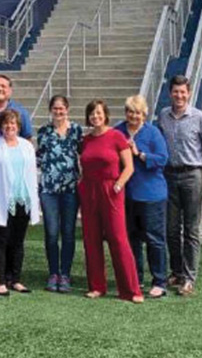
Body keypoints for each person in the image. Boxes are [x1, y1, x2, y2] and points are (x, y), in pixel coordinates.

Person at [157, 75, 202, 297]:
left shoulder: (199, 118)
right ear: (170, 93)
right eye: (176, 92)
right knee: (171, 229)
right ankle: (176, 272)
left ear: (189, 93)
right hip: (169, 176)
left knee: (191, 229)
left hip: (193, 176)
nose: (179, 96)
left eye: (183, 92)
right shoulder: (163, 116)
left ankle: (189, 278)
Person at [78, 99, 143, 303]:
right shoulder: (85, 140)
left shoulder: (117, 136)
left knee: (118, 238)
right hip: (89, 191)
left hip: (111, 190)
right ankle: (97, 286)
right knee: (91, 239)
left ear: (105, 115)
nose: (95, 117)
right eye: (91, 114)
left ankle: (131, 290)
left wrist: (118, 184)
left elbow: (129, 167)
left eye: (98, 113)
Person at [0, 109, 39, 296]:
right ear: (1, 126)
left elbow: (31, 174)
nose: (9, 126)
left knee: (17, 242)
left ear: (18, 126)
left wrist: (33, 201)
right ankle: (0, 280)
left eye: (13, 123)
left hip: (22, 201)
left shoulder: (27, 146)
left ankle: (16, 279)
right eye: (6, 123)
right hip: (0, 201)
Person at [115, 95, 169, 299]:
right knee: (132, 239)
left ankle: (159, 280)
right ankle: (135, 278)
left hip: (151, 194)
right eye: (130, 111)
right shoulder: (118, 131)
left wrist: (140, 154)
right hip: (127, 194)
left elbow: (163, 159)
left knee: (155, 239)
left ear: (144, 114)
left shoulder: (153, 133)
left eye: (137, 112)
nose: (133, 116)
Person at [35, 94, 83, 293]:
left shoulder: (76, 130)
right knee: (52, 233)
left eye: (62, 108)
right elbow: (38, 157)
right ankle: (53, 272)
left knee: (69, 233)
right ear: (50, 110)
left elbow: (83, 155)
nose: (58, 112)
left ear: (67, 109)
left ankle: (65, 274)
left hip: (70, 189)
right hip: (49, 189)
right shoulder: (44, 131)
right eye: (55, 108)